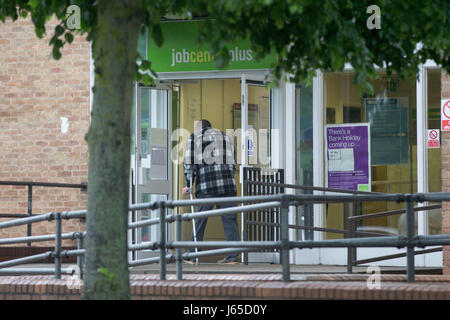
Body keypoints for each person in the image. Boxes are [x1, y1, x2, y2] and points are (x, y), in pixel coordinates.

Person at [182, 119, 239, 264]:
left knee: (200, 220)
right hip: (228, 186)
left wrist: (188, 184)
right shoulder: (226, 137)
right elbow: (233, 162)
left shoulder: (194, 138)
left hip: (207, 186)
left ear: (199, 127)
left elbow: (189, 164)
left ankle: (192, 255)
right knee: (230, 220)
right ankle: (232, 257)